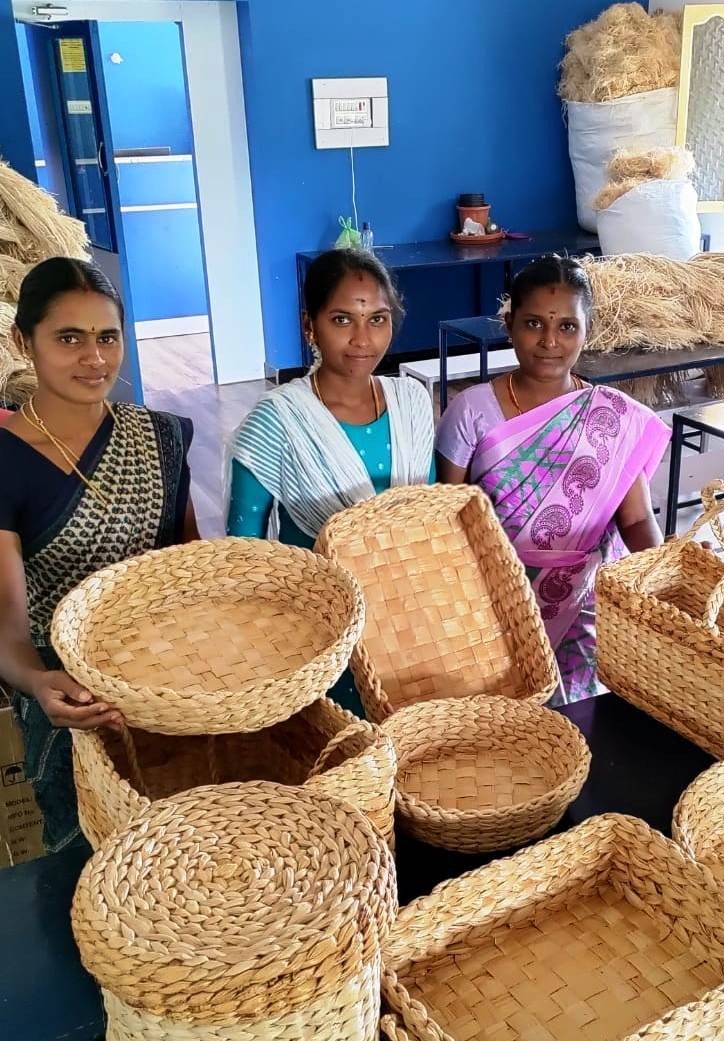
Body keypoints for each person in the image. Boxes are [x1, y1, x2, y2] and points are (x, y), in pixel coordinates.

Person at [0, 257, 196, 852]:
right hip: (72, 686)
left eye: (107, 337)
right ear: (22, 341)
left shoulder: (159, 437)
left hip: (165, 671)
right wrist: (39, 682)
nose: (94, 358)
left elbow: (190, 570)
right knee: (97, 854)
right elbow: (5, 626)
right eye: (69, 338)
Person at [436, 255, 670, 706]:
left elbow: (636, 519)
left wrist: (661, 576)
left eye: (567, 326)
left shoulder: (609, 416)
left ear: (588, 330)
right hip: (494, 599)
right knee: (501, 721)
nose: (549, 341)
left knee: (579, 723)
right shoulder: (471, 410)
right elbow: (449, 521)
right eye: (533, 324)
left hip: (582, 601)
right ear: (509, 325)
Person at [226, 248, 434, 711]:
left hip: (409, 623)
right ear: (309, 326)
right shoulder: (276, 421)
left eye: (377, 319)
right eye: (342, 320)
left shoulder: (413, 402)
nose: (363, 339)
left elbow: (429, 518)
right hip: (321, 630)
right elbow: (244, 552)